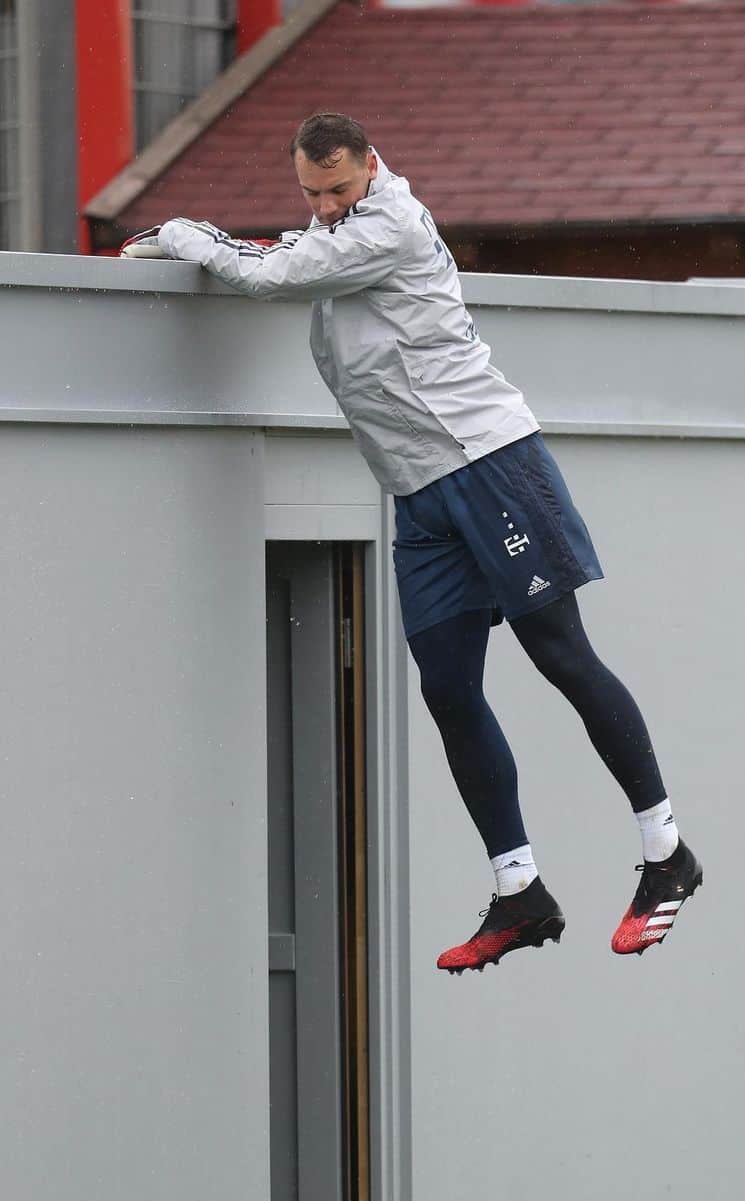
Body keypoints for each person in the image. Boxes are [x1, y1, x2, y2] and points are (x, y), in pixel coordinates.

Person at [122, 112, 701, 973]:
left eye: (337, 189)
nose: (323, 206)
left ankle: (668, 855)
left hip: (490, 461)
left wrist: (182, 236)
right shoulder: (338, 229)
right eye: (310, 192)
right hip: (419, 492)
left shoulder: (386, 223)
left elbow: (271, 273)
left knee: (560, 655)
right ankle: (520, 891)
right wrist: (214, 247)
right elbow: (291, 254)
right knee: (445, 688)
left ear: (371, 168)